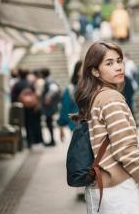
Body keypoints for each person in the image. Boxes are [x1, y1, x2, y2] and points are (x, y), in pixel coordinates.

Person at [75, 42, 139, 214]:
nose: (118, 67)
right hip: (118, 190)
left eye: (119, 61)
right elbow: (125, 150)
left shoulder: (95, 96)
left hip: (100, 188)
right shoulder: (111, 98)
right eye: (109, 63)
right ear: (95, 71)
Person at [57, 61, 84, 202]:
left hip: (92, 126)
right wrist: (61, 127)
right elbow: (65, 109)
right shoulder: (70, 88)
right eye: (82, 67)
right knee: (79, 157)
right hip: (77, 127)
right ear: (76, 70)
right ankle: (80, 188)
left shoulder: (93, 86)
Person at [11, 69, 41, 149]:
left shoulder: (17, 84)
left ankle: (23, 143)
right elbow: (35, 95)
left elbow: (13, 96)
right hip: (31, 107)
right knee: (31, 124)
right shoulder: (30, 84)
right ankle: (31, 140)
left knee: (22, 125)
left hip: (20, 108)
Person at [41, 68, 61, 147]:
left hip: (49, 107)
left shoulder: (48, 81)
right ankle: (52, 140)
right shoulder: (49, 80)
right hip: (50, 106)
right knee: (49, 123)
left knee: (49, 123)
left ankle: (52, 140)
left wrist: (47, 98)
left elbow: (54, 89)